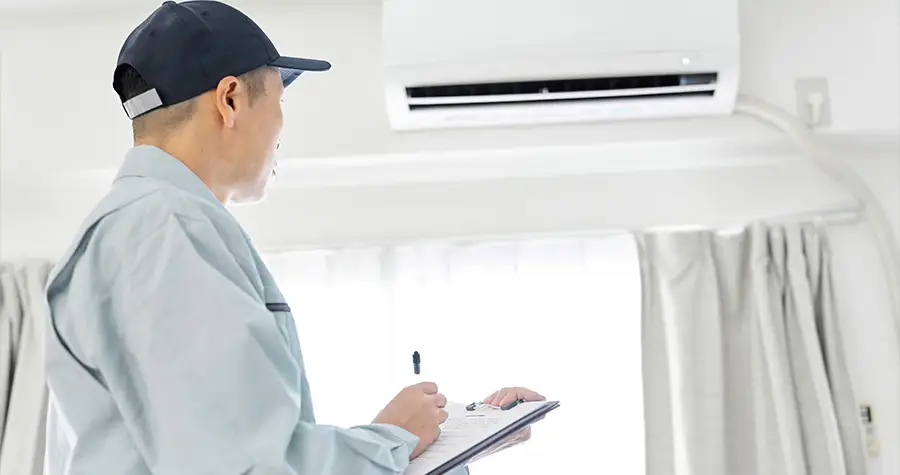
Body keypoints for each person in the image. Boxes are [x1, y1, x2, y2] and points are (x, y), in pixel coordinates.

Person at [43, 2, 545, 474]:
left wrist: (453, 439)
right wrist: (391, 440)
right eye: (280, 100)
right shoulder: (164, 230)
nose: (282, 129)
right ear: (231, 100)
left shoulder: (144, 229)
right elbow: (243, 465)